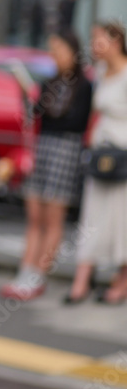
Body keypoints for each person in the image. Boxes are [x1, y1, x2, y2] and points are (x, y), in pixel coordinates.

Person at [1, 30, 92, 301]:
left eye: (58, 51)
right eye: (51, 51)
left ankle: (38, 275)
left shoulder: (84, 86)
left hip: (65, 151)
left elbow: (76, 122)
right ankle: (24, 271)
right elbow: (34, 115)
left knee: (53, 219)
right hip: (43, 148)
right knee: (34, 217)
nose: (54, 57)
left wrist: (48, 108)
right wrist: (24, 92)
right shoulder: (49, 82)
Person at [67, 21, 127, 305]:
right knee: (92, 217)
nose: (93, 46)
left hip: (123, 158)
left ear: (115, 41)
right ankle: (82, 279)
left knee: (121, 221)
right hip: (99, 154)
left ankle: (121, 281)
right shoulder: (101, 73)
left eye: (98, 39)